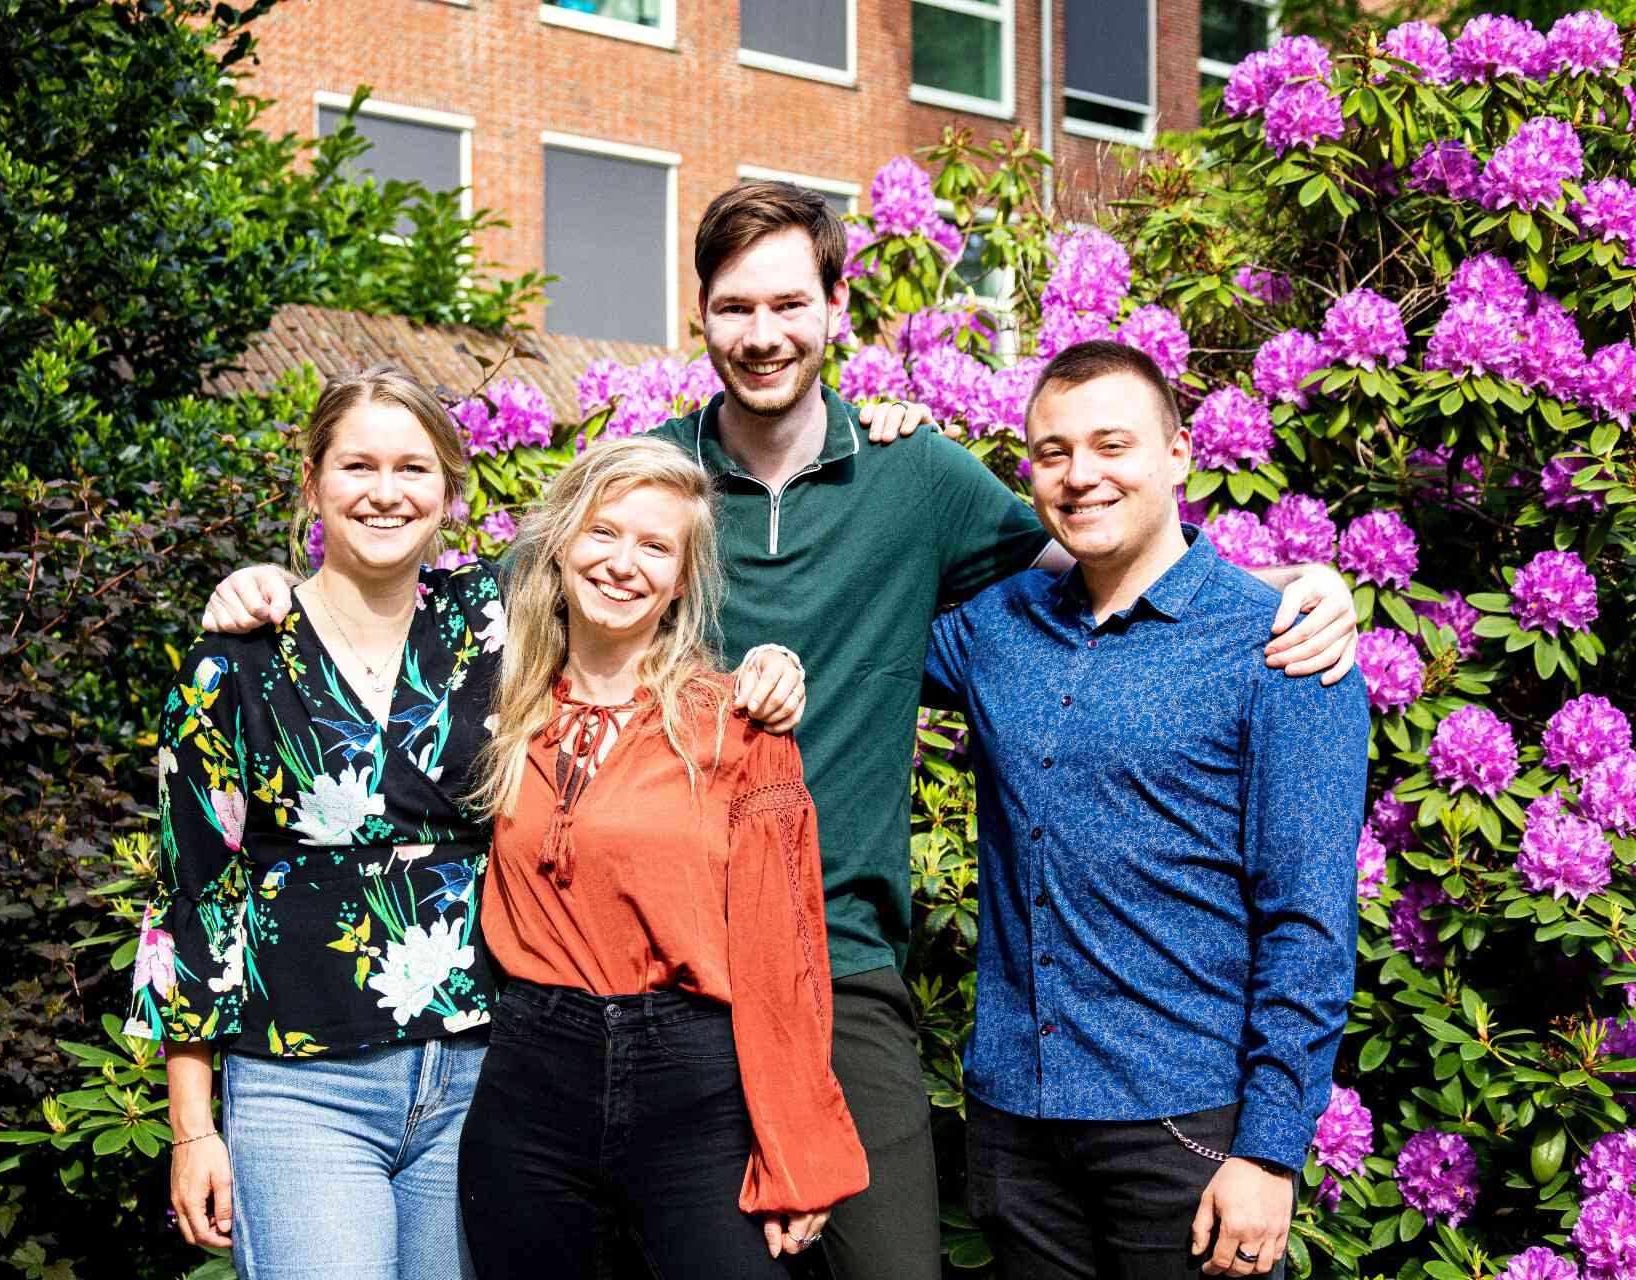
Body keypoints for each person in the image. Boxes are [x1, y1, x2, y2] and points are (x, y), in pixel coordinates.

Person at [199, 182, 1362, 1280]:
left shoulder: (921, 479)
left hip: (838, 961)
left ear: (835, 310)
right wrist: (273, 593)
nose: (764, 332)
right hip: (637, 978)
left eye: (790, 303)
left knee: (887, 1260)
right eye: (736, 306)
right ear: (698, 314)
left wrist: (1285, 591)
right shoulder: (649, 478)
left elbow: (1100, 561)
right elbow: (466, 606)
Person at [124, 367, 808, 1280]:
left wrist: (769, 664)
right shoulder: (235, 664)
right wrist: (193, 1128)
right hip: (304, 1084)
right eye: (357, 465)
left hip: (481, 1076)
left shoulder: (488, 629)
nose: (384, 492)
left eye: (413, 469)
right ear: (313, 479)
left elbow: (632, 626)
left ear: (450, 491)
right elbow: (191, 895)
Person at [923, 340, 1370, 1279]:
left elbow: (1310, 919)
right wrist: (881, 445)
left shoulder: (1280, 648)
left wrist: (1268, 1150)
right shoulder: (995, 630)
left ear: (1178, 454)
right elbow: (854, 635)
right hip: (1017, 1129)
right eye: (1053, 452)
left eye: (1111, 445)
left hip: (1188, 1133)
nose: (1081, 475)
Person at [456, 436, 867, 1278]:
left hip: (695, 1086)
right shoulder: (494, 707)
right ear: (562, 545)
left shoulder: (738, 726)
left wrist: (798, 1152)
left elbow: (782, 950)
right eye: (603, 533)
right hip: (531, 1081)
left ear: (682, 580)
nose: (622, 563)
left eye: (655, 546)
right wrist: (273, 589)